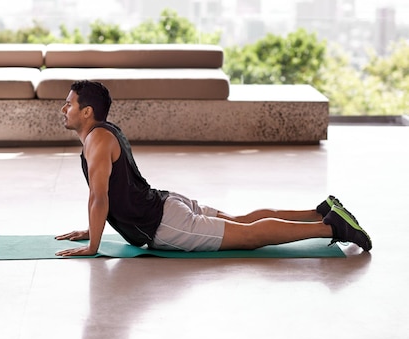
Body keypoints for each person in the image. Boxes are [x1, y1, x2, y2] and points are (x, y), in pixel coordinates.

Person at [54, 80, 372, 257]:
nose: (64, 109)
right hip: (166, 204)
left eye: (69, 104)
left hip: (165, 223)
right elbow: (113, 194)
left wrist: (93, 246)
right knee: (240, 220)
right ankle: (319, 212)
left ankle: (331, 227)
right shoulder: (105, 133)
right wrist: (92, 228)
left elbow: (100, 198)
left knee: (247, 236)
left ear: (87, 111)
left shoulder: (96, 142)